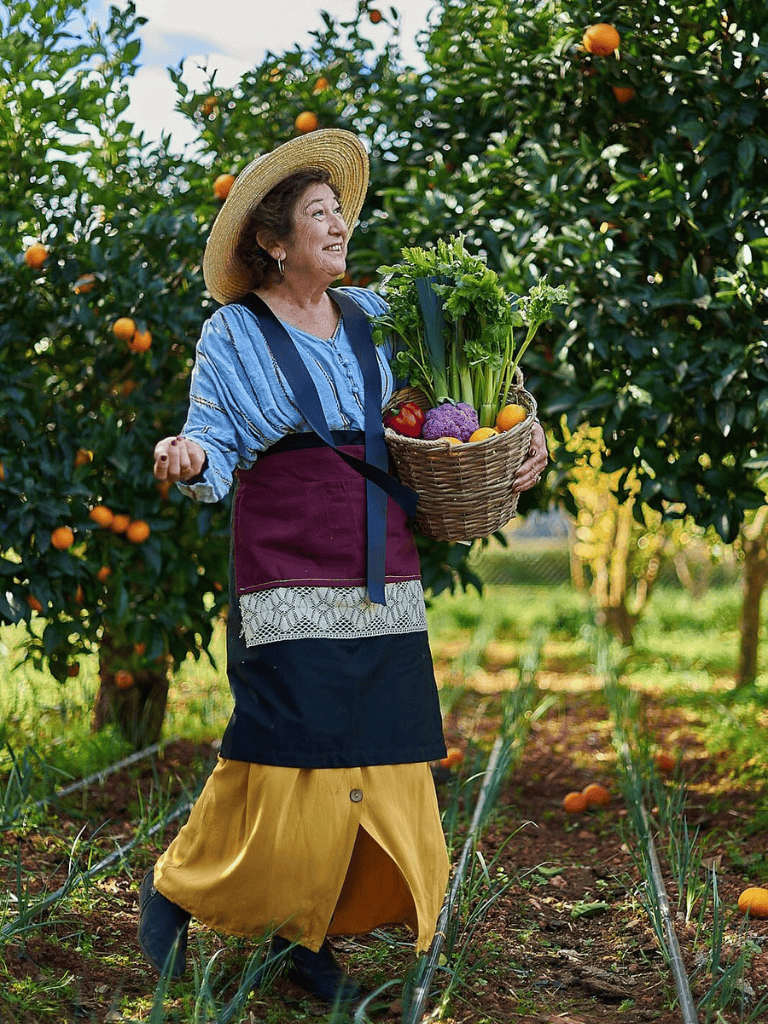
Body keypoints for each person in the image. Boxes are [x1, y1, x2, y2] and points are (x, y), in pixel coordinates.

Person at [139, 128, 550, 1005]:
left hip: (378, 563)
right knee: (290, 753)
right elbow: (212, 433)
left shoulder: (373, 320)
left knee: (387, 747)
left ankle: (310, 934)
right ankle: (184, 889)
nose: (337, 227)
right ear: (273, 241)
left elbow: (454, 408)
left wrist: (524, 430)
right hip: (286, 567)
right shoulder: (233, 332)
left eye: (339, 212)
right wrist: (189, 455)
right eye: (317, 215)